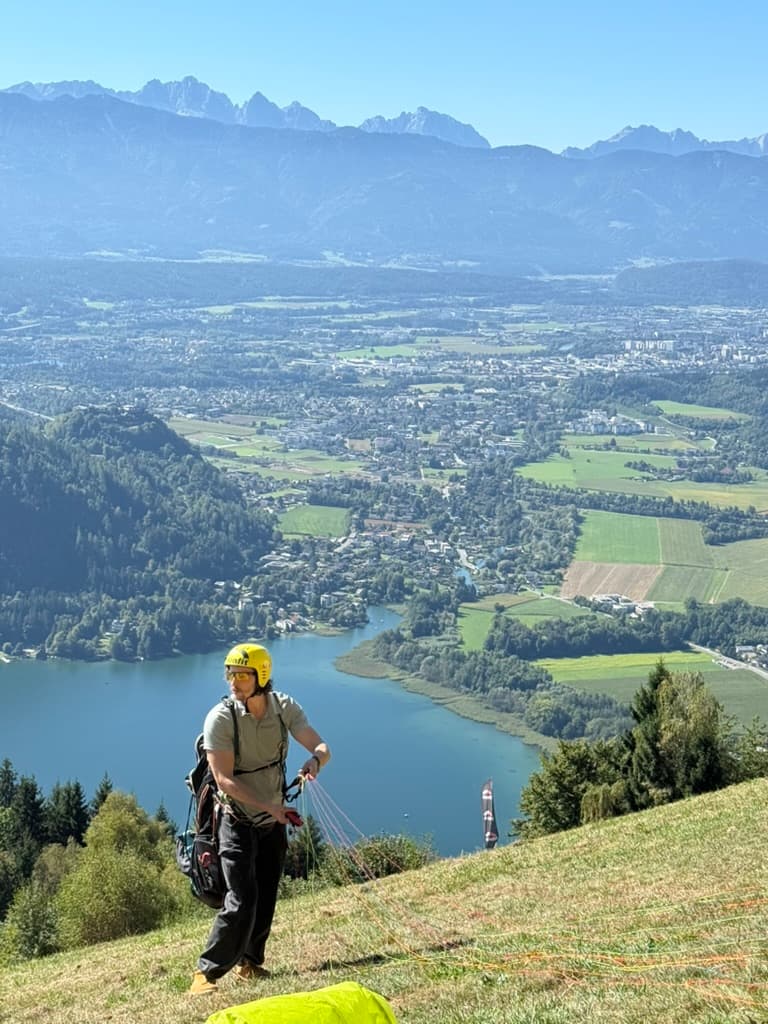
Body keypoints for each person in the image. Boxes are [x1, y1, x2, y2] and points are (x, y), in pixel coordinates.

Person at [189, 641, 330, 995]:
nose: (233, 682)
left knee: (266, 894)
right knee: (242, 898)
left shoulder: (283, 709)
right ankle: (205, 973)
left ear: (261, 676)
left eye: (241, 675)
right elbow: (223, 780)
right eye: (230, 674)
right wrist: (271, 808)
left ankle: (250, 964)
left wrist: (314, 763)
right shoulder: (220, 719)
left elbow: (322, 747)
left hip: (273, 819)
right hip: (235, 820)